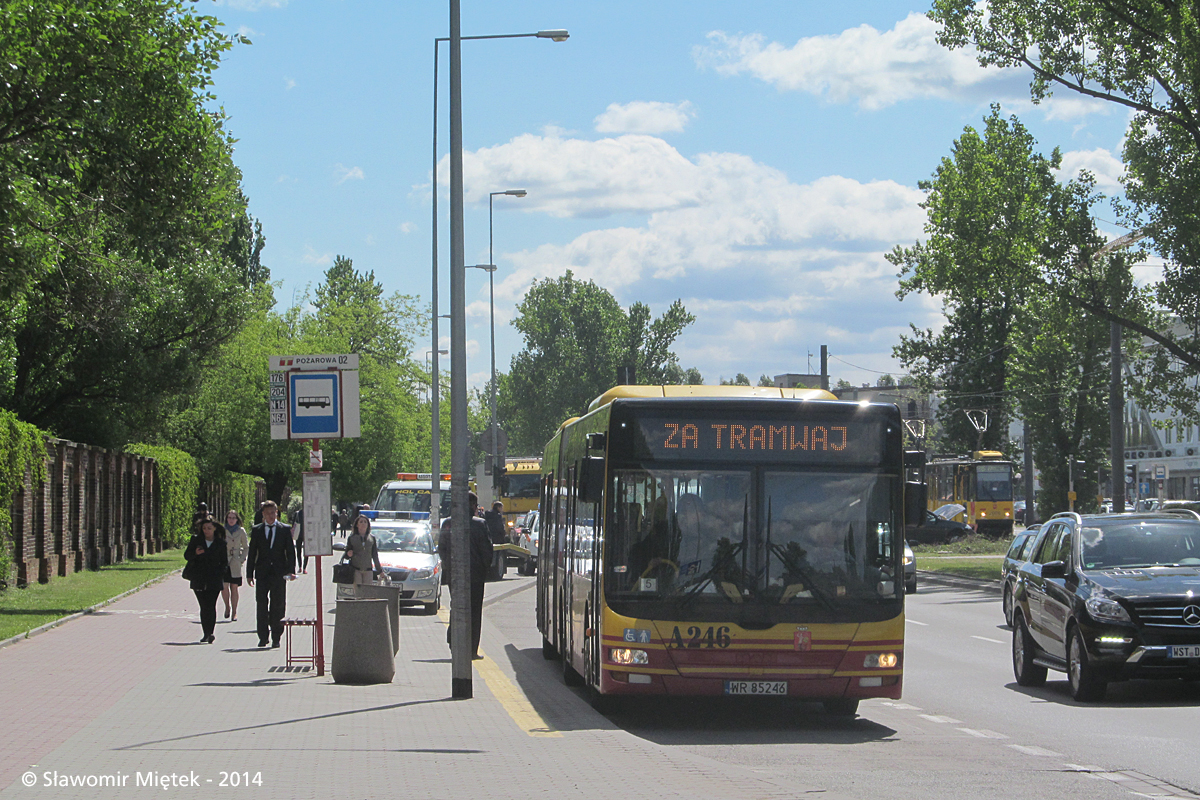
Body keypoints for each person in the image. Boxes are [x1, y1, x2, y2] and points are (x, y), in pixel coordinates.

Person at [437, 492, 494, 659]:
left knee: (457, 607)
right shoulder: (480, 524)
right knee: (474, 612)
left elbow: (442, 548)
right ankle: (471, 650)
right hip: (476, 576)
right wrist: (485, 568)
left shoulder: (448, 523)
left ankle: (454, 640)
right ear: (474, 506)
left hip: (454, 575)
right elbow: (487, 551)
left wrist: (449, 566)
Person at [246, 500, 296, 648]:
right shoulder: (257, 530)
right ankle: (262, 636)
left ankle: (276, 636)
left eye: (273, 513)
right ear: (263, 514)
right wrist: (249, 574)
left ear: (277, 513)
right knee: (261, 605)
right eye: (267, 513)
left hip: (279, 573)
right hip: (262, 573)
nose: (271, 516)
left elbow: (290, 553)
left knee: (278, 605)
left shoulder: (284, 529)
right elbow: (253, 553)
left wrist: (291, 571)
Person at [183, 516, 228, 644]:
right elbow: (187, 556)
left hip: (214, 579)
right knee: (203, 606)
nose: (206, 531)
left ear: (214, 528)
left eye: (209, 528)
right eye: (204, 528)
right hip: (199, 578)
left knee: (211, 605)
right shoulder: (196, 541)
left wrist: (220, 574)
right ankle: (206, 633)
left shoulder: (220, 543)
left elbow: (224, 562)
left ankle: (211, 632)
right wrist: (195, 554)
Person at [222, 509, 249, 622]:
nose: (231, 520)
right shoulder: (222, 530)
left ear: (237, 519)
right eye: (229, 518)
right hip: (224, 560)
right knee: (224, 586)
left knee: (234, 587)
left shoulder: (241, 531)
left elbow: (246, 546)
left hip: (236, 561)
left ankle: (234, 611)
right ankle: (227, 606)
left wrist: (241, 559)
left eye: (233, 518)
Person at [345, 514, 386, 585]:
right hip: (356, 569)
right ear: (357, 525)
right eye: (361, 522)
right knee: (358, 592)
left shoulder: (372, 538)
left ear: (368, 525)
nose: (363, 523)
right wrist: (348, 554)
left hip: (368, 570)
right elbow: (346, 554)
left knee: (367, 592)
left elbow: (374, 555)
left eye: (365, 522)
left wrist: (380, 571)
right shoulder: (352, 538)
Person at [293, 507, 308, 574]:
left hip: (298, 534)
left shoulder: (297, 513)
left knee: (298, 551)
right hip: (306, 535)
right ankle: (304, 568)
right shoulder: (308, 513)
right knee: (306, 552)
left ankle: (300, 567)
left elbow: (293, 524)